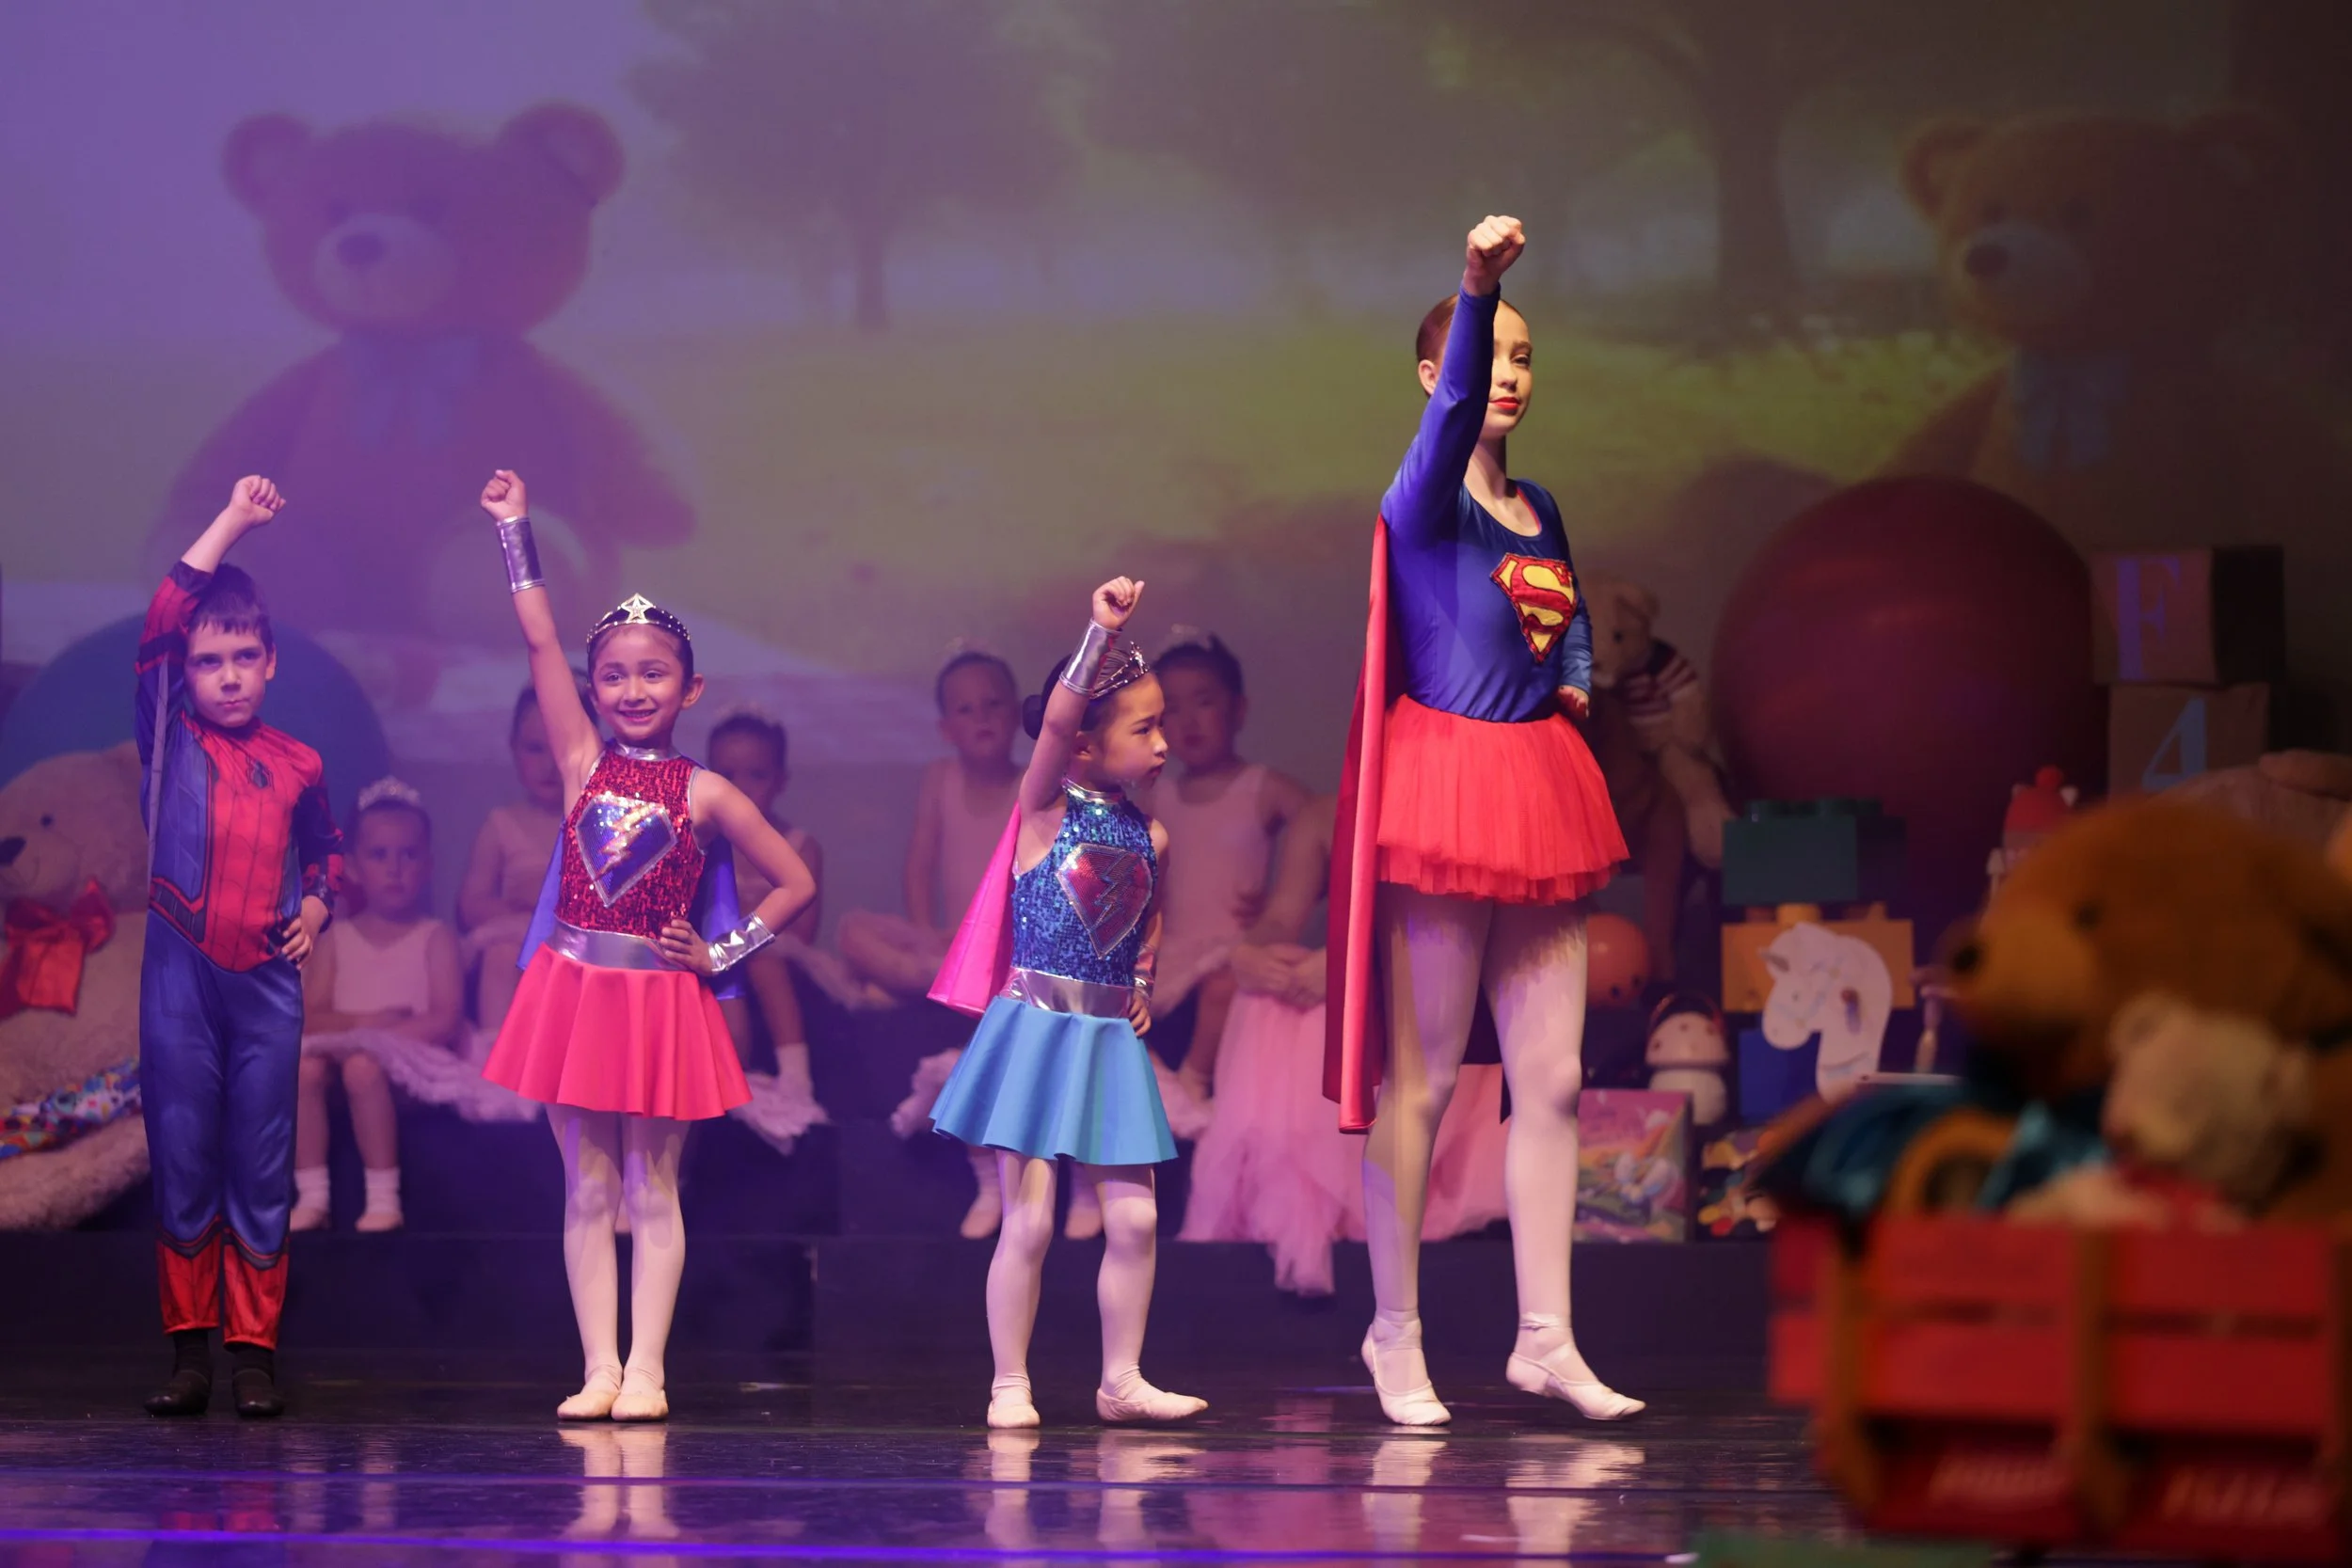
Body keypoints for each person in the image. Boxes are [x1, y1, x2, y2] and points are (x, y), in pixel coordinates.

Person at [1327, 218, 1640, 1426]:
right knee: (1421, 1082)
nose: (1508, 373)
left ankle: (1545, 1337)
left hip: (1539, 784)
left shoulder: (1539, 504)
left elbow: (1569, 611)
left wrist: (1577, 675)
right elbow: (1455, 416)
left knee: (1551, 1078)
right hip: (1446, 788)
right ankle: (1393, 1330)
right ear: (1436, 371)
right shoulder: (1419, 501)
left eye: (1523, 355)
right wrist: (1473, 287)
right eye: (1488, 352)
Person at [474, 469, 817, 1423]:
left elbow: (796, 881)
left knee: (651, 1185)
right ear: (593, 688)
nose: (633, 689)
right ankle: (598, 1367)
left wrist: (724, 950)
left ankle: (648, 1370)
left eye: (654, 672)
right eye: (615, 675)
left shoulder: (708, 792)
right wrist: (516, 528)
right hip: (575, 988)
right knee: (586, 1189)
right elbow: (538, 637)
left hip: (660, 996)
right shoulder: (580, 761)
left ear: (690, 686)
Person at [927, 578, 1203, 1429]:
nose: (1163, 742)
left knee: (1136, 1219)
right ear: (1083, 745)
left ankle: (1122, 1378)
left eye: (1161, 725)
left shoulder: (1151, 834)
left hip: (1109, 1037)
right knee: (1032, 1220)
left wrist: (1143, 983)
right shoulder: (1044, 806)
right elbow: (1051, 724)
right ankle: (1010, 1382)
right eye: (1144, 728)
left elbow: (1149, 917)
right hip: (1040, 1028)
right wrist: (1099, 632)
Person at [137, 475, 342, 1420]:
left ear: (270, 664)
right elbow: (164, 612)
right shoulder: (168, 736)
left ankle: (253, 1355)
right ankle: (190, 1355)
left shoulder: (300, 761)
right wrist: (233, 520)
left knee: (261, 1161)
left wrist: (318, 905)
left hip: (265, 985)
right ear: (184, 670)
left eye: (244, 657)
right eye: (209, 659)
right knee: (184, 1153)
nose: (226, 674)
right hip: (179, 977)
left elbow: (328, 851)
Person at [1179, 796, 1505, 1296]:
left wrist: (1354, 964)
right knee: (1274, 989)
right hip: (1361, 976)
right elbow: (1281, 916)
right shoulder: (1321, 815)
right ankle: (1298, 1200)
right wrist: (1251, 953)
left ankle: (1380, 1193)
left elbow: (1456, 924)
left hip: (1429, 978)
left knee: (1351, 1003)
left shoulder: (1448, 802)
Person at [857, 647, 1025, 1238]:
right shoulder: (940, 778)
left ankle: (934, 985)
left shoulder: (1033, 783)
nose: (982, 718)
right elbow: (919, 864)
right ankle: (934, 977)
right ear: (946, 727)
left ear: (1019, 713)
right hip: (949, 943)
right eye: (966, 709)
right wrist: (927, 936)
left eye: (994, 705)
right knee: (854, 930)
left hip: (1008, 945)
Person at [293, 779, 464, 1233]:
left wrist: (377, 1044)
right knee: (304, 1070)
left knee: (363, 1069)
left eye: (408, 855)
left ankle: (383, 1199)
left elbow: (445, 1019)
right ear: (352, 866)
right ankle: (313, 1197)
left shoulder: (435, 937)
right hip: (344, 1055)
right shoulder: (335, 938)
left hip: (410, 1065)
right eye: (379, 855)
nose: (394, 869)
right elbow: (311, 1017)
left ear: (427, 865)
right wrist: (366, 1026)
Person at [1143, 630, 1307, 1101]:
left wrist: (1286, 896)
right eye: (1172, 709)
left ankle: (1194, 1081)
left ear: (1238, 710)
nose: (1189, 721)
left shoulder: (1262, 786)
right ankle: (1151, 1085)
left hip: (1235, 943)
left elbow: (1327, 839)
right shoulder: (1158, 796)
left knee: (1222, 985)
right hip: (1176, 947)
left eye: (1204, 702)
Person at [705, 707, 829, 1152]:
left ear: (780, 781)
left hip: (778, 956)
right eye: (726, 776)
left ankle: (795, 1077)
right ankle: (732, 1078)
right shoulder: (701, 843)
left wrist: (750, 928)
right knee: (723, 975)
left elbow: (802, 931)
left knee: (761, 959)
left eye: (755, 775)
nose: (740, 789)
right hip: (716, 956)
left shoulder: (798, 846)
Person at [459, 684, 588, 1033]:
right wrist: (525, 910)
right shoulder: (502, 824)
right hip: (520, 935)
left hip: (579, 939)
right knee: (502, 954)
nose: (548, 765)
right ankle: (496, 1049)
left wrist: (556, 901)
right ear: (514, 749)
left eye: (561, 749)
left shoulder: (597, 823)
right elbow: (471, 904)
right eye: (535, 749)